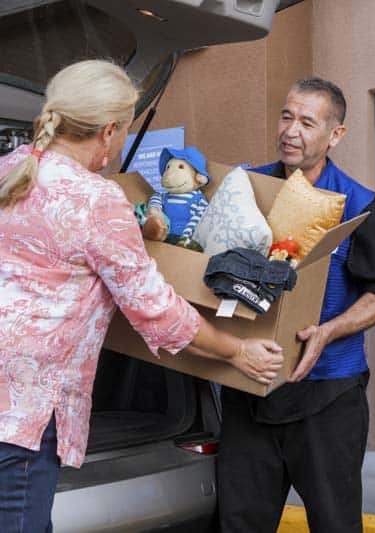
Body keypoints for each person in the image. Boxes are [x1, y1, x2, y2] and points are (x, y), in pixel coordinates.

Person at [0, 60, 284, 532]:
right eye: (126, 131)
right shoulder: (97, 199)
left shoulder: (10, 171)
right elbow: (158, 312)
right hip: (25, 415)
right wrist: (238, 350)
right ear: (109, 131)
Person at [217, 77, 375, 532]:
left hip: (327, 394)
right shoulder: (247, 190)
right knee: (238, 522)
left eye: (307, 122)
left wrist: (328, 332)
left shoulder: (357, 204)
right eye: (286, 116)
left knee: (335, 524)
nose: (290, 130)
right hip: (249, 388)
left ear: (335, 135)